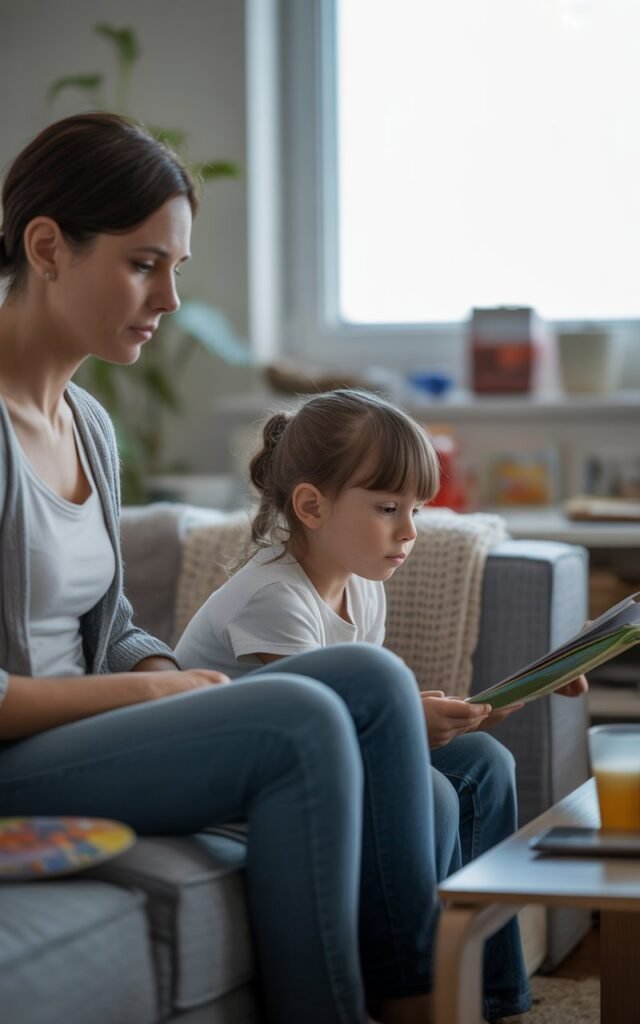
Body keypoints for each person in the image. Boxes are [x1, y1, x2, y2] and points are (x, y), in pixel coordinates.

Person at [0, 111, 494, 1024]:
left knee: (365, 676)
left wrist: (159, 671)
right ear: (47, 247)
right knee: (301, 714)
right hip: (20, 759)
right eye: (144, 263)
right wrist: (143, 698)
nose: (170, 300)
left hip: (88, 737)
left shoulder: (90, 428)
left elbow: (107, 628)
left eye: (175, 269)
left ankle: (428, 996)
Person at [176, 388, 589, 1020]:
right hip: (250, 778)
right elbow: (308, 726)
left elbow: (364, 710)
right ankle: (414, 982)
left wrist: (482, 709)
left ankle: (489, 991)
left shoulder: (363, 590)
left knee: (485, 761)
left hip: (320, 762)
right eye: (388, 507)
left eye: (416, 509)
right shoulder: (271, 597)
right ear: (311, 506)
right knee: (434, 792)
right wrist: (410, 725)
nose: (410, 531)